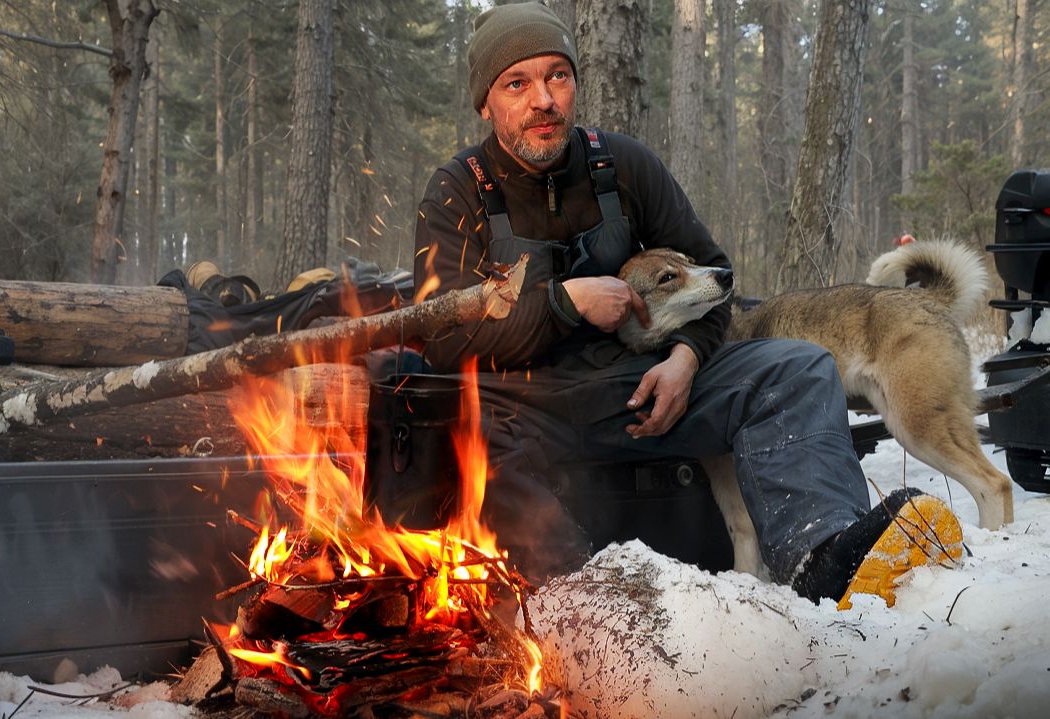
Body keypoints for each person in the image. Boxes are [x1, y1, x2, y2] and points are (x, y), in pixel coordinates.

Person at [410, 2, 962, 607]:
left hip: (642, 388)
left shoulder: (621, 165)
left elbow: (716, 280)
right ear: (486, 102)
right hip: (522, 405)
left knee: (795, 368)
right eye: (518, 83)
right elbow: (441, 336)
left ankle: (825, 559)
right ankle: (574, 596)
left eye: (557, 76)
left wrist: (687, 359)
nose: (544, 99)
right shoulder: (457, 190)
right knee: (457, 422)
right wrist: (564, 305)